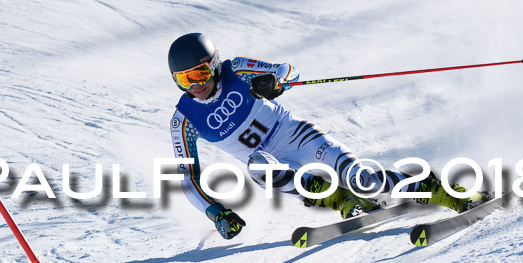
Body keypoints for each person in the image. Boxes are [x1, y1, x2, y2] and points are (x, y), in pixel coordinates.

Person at [169, 33, 485, 240]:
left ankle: (436, 189)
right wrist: (217, 211)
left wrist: (276, 83)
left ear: (214, 64)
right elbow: (188, 179)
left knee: (363, 178)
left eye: (200, 73)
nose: (195, 84)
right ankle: (341, 200)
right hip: (272, 161)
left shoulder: (235, 70)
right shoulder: (184, 120)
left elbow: (285, 70)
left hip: (297, 137)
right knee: (257, 167)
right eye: (184, 79)